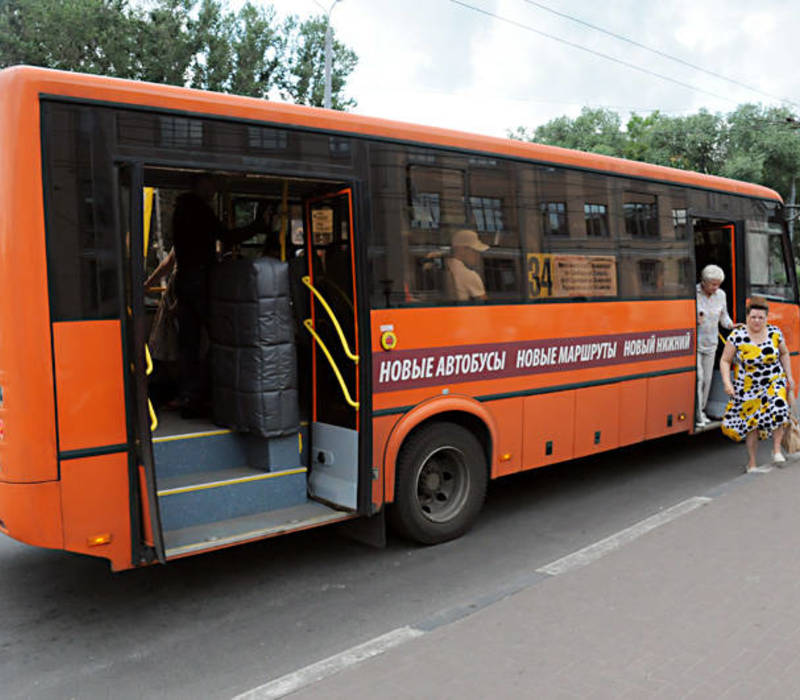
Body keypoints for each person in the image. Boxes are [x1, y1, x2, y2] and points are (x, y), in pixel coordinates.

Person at [172, 174, 265, 417]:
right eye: (210, 185)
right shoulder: (199, 209)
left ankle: (188, 397)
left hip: (184, 280)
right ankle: (215, 392)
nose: (213, 190)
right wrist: (257, 226)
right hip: (201, 281)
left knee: (189, 343)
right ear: (200, 186)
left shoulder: (181, 209)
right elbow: (228, 237)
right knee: (223, 336)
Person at [720, 296, 795, 471]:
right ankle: (752, 462)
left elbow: (784, 353)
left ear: (766, 318)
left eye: (761, 317)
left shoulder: (774, 333)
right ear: (747, 317)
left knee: (779, 410)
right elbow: (725, 360)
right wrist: (726, 382)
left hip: (773, 380)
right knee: (751, 425)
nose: (757, 321)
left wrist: (788, 376)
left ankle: (776, 450)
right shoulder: (737, 336)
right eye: (753, 317)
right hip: (748, 387)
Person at [695, 264, 733, 426]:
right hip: (695, 344)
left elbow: (724, 318)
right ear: (703, 282)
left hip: (711, 344)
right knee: (699, 378)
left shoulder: (720, 295)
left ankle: (702, 411)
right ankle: (697, 414)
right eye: (713, 284)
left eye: (718, 284)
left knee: (707, 380)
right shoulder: (694, 293)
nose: (716, 288)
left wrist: (732, 326)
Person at [446, 229, 488, 301]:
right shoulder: (469, 274)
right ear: (461, 250)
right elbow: (484, 304)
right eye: (474, 250)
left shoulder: (446, 266)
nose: (478, 255)